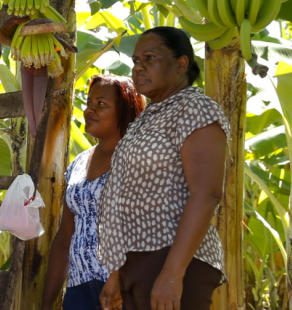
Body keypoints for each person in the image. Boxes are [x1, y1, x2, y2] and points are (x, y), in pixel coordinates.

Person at [97, 26, 229, 310]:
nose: (139, 68)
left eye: (150, 58)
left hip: (172, 259)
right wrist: (117, 273)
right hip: (138, 262)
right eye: (135, 61)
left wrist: (172, 273)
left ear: (181, 64)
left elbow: (206, 194)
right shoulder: (147, 119)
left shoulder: (194, 108)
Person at [41, 75, 145, 310]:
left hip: (124, 291)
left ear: (125, 111)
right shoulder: (78, 164)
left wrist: (117, 278)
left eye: (101, 104)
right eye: (89, 103)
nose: (90, 110)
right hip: (79, 288)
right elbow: (65, 236)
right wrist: (47, 303)